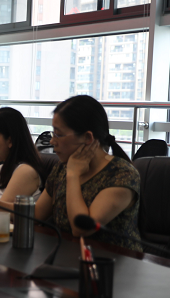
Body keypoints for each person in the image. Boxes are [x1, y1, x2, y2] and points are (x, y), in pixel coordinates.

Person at [34, 95, 142, 252]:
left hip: (113, 262)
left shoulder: (122, 174)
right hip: (68, 256)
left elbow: (81, 230)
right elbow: (37, 214)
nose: (52, 141)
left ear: (87, 137)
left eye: (58, 134)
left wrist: (73, 175)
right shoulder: (62, 167)